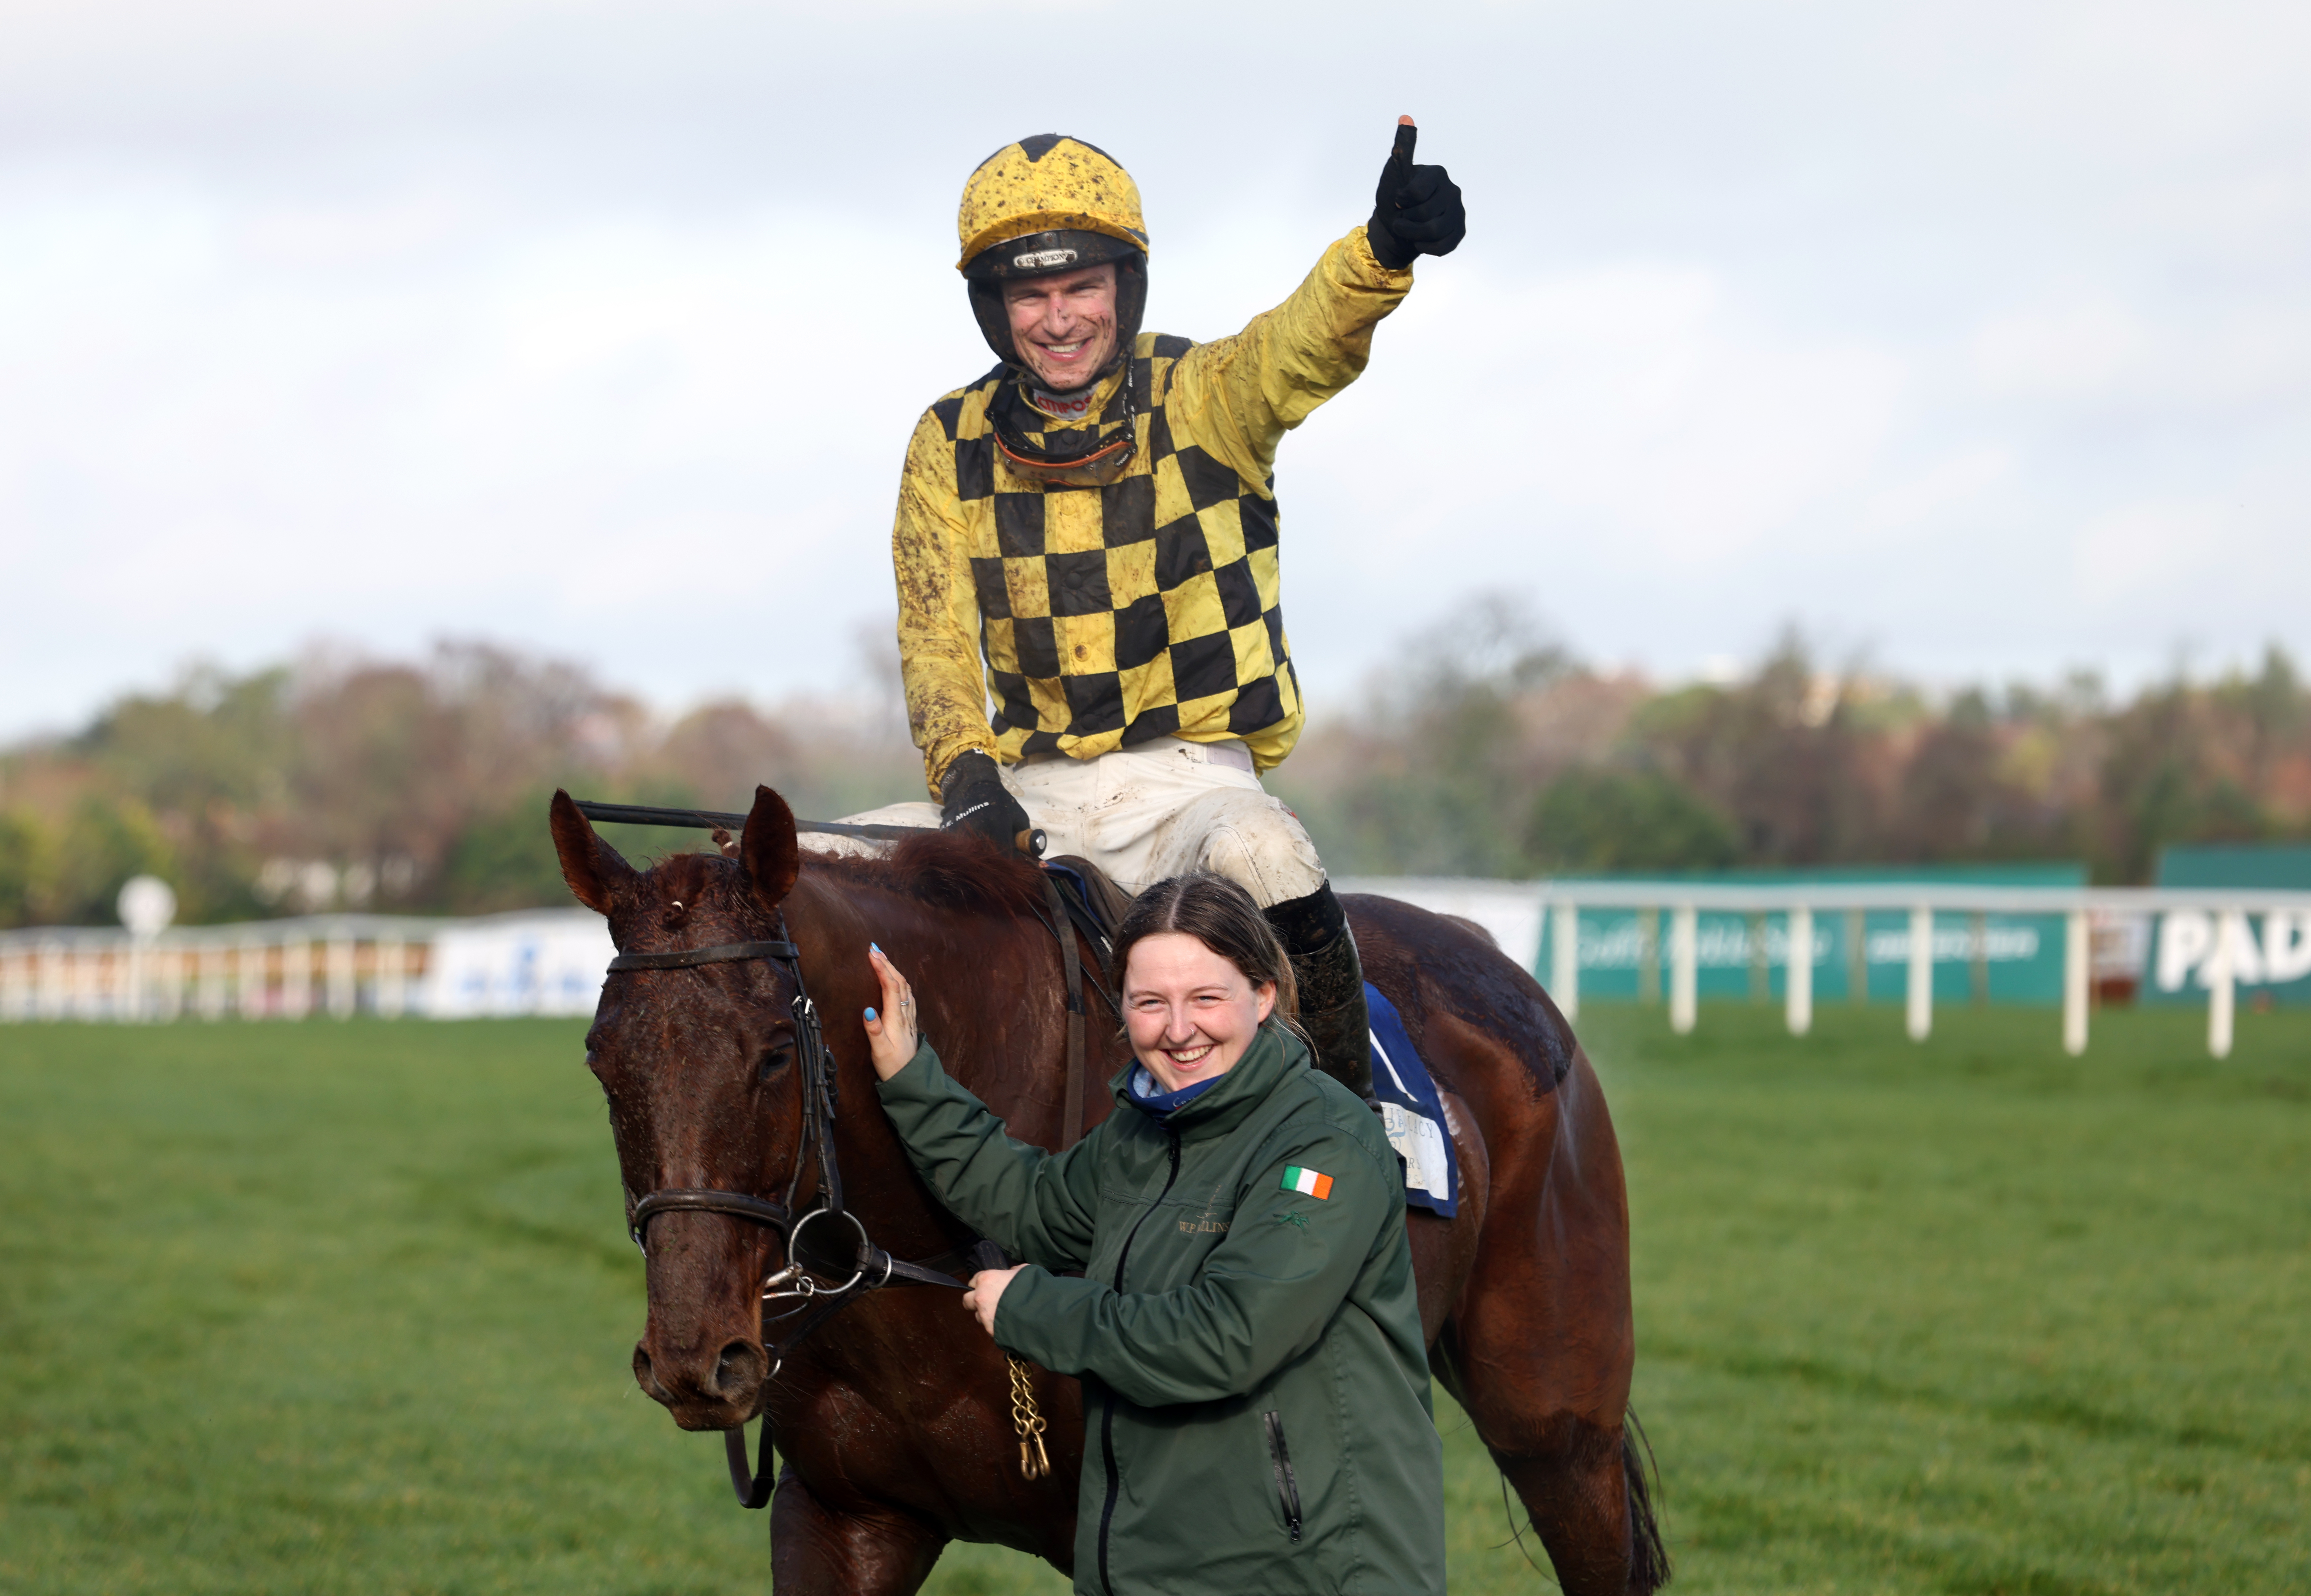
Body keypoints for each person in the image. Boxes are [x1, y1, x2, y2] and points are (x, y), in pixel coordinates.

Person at [848, 121, 1466, 1099]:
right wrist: (965, 774)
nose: (1058, 319)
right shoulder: (945, 440)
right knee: (815, 861)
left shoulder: (1204, 393)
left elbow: (1302, 341)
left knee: (1267, 852)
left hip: (1192, 792)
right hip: (1025, 795)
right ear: (993, 307)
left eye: (1081, 287)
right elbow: (933, 634)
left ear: (1124, 287)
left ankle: (1352, 1134)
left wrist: (1382, 251)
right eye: (1030, 295)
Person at [861, 872, 1445, 1596]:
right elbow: (1032, 1204)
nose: (1177, 1029)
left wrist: (1033, 1310)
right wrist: (911, 1079)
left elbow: (1226, 1336)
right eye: (1149, 1002)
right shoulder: (1143, 1130)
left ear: (1263, 995)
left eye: (1206, 998)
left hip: (1308, 1572)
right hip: (1153, 1567)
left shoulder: (1323, 1145)